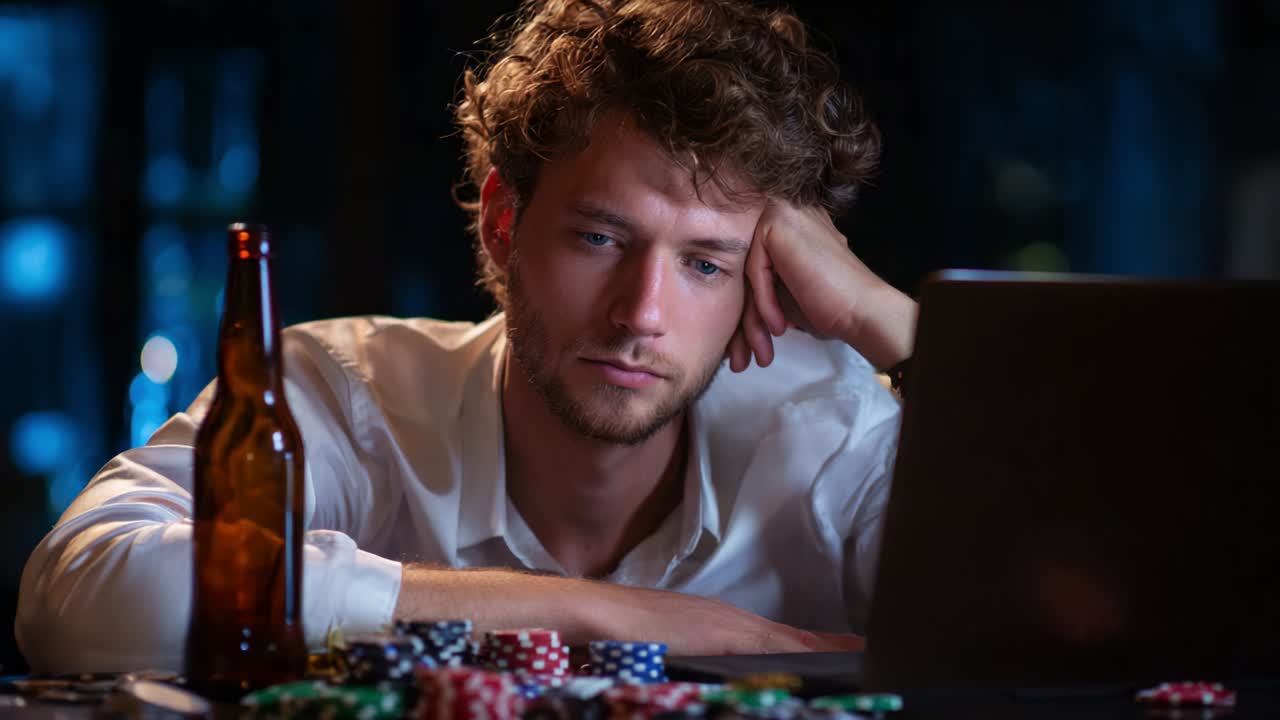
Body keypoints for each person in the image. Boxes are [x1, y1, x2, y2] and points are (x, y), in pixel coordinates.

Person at [16, 0, 917, 672]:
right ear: (501, 224)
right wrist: (607, 617)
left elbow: (1055, 621)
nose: (642, 313)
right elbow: (78, 597)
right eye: (600, 238)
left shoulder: (829, 430)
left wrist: (898, 329)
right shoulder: (342, 388)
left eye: (705, 264)